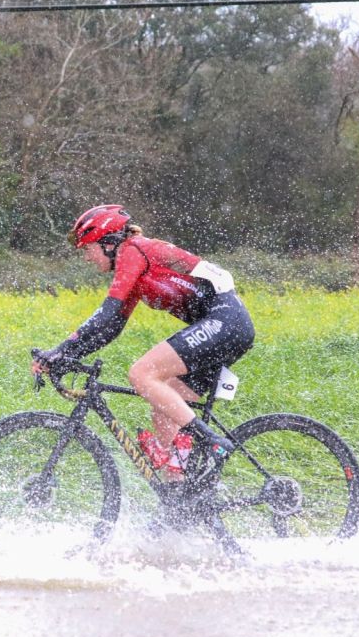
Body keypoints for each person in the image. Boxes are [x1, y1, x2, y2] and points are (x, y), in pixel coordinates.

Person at [34, 204, 254, 494]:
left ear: (108, 243)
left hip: (226, 320)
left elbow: (106, 312)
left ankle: (212, 442)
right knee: (164, 408)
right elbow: (111, 327)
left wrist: (60, 349)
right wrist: (67, 356)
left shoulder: (133, 250)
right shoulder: (135, 268)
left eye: (88, 249)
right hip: (223, 327)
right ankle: (180, 497)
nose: (86, 257)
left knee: (142, 373)